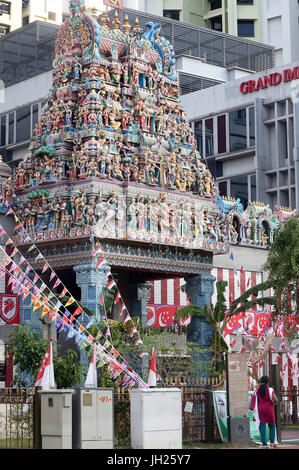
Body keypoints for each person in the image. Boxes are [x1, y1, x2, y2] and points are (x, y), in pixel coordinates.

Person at [250, 375, 278, 448]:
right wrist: (272, 404)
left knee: (262, 426)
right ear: (268, 382)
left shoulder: (256, 390)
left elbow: (253, 400)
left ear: (260, 382)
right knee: (272, 426)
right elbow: (275, 400)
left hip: (260, 410)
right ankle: (272, 442)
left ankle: (264, 444)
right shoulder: (270, 390)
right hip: (269, 409)